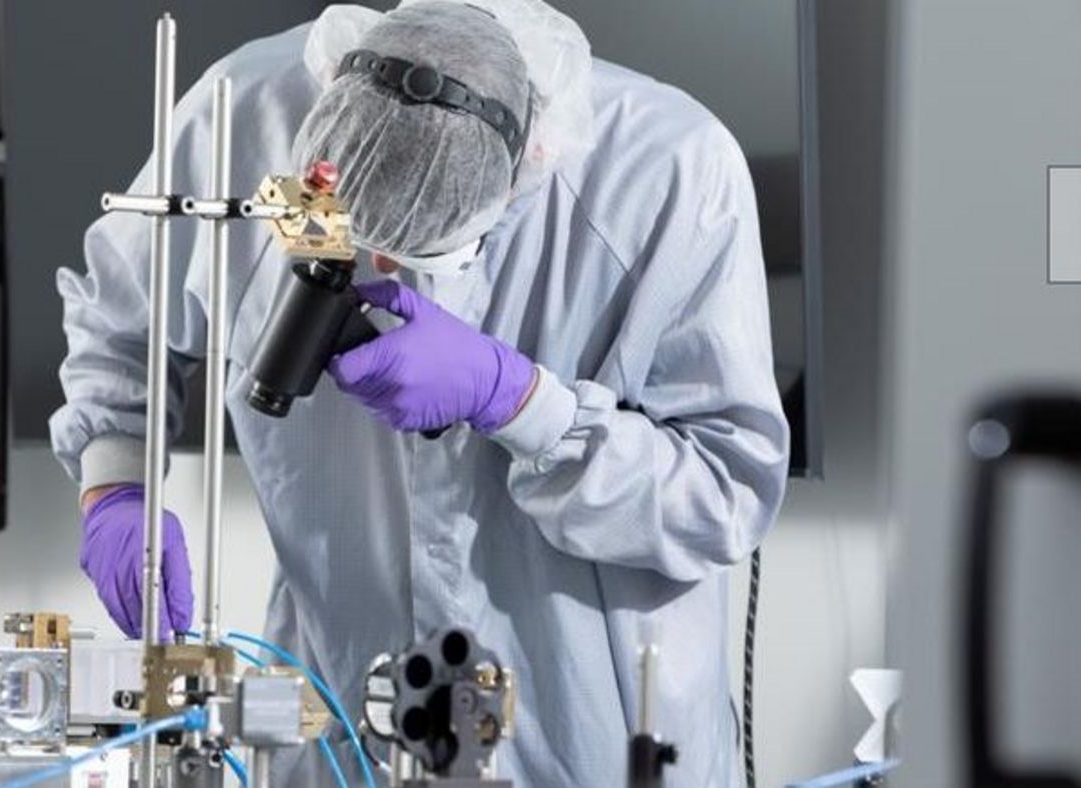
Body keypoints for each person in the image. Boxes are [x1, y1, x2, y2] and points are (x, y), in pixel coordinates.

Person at [50, 1, 789, 785]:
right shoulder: (246, 116)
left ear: (532, 161)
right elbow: (121, 323)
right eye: (359, 244)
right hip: (338, 722)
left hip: (586, 741)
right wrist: (114, 487)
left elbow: (725, 496)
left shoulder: (671, 171)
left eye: (416, 254)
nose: (381, 269)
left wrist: (523, 404)